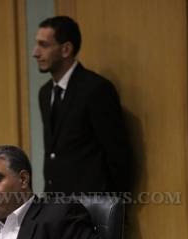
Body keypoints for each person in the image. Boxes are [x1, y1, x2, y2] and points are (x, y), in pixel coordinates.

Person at [33, 16, 131, 195]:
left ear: (66, 49)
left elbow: (117, 154)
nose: (35, 53)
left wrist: (109, 204)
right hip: (57, 202)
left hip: (92, 203)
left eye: (44, 45)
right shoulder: (45, 93)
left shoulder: (96, 89)